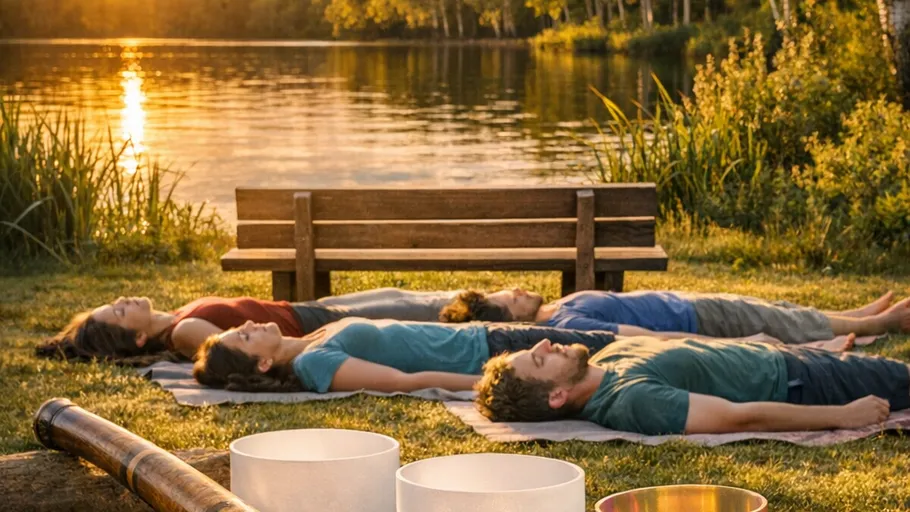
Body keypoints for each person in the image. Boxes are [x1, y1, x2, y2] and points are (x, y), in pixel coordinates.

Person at [473, 335, 909, 435]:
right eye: (540, 358)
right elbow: (737, 418)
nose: (545, 343)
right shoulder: (633, 400)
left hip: (790, 356)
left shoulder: (599, 363)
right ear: (557, 395)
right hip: (807, 382)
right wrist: (843, 415)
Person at [192, 318, 617, 393]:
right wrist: (492, 381)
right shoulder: (313, 363)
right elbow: (404, 381)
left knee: (616, 338)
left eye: (241, 327)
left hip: (480, 335)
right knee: (616, 341)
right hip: (490, 350)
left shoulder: (307, 343)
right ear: (263, 364)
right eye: (244, 336)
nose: (249, 325)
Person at [37, 288, 461, 363]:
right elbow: (236, 350)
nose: (121, 302)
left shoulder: (176, 317)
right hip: (311, 323)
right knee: (430, 308)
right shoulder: (183, 333)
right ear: (138, 337)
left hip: (304, 309)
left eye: (112, 304)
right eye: (117, 312)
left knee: (416, 300)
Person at [440, 288, 909, 348]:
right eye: (514, 297)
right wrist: (698, 340)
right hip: (695, 319)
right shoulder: (565, 324)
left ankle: (852, 316)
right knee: (780, 322)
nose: (521, 289)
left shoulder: (558, 307)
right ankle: (883, 324)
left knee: (778, 311)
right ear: (514, 317)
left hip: (688, 303)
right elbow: (637, 334)